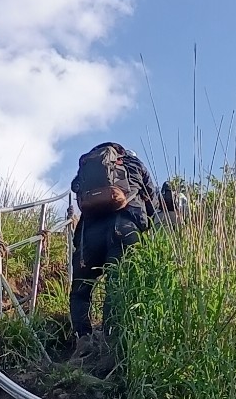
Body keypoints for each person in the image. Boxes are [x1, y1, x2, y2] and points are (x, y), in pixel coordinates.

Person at [67, 143, 189, 338]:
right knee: (116, 286)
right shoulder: (134, 164)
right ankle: (109, 339)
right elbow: (152, 201)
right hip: (124, 230)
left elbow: (76, 188)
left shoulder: (88, 169)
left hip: (87, 237)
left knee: (80, 290)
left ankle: (82, 339)